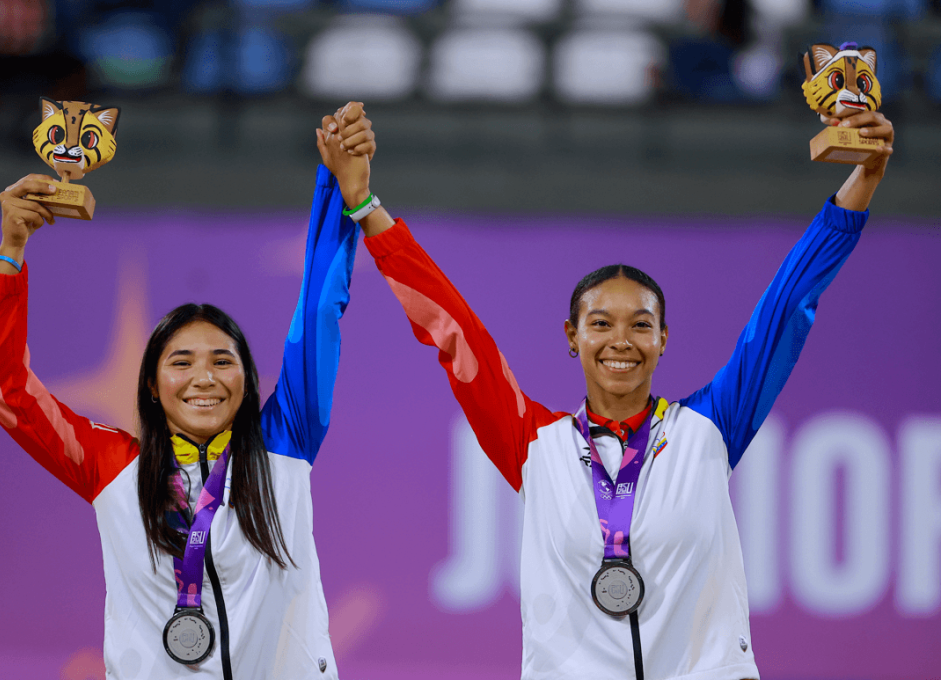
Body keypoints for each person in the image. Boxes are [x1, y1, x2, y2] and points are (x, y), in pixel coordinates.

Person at [322, 109, 895, 679]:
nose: (621, 340)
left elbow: (786, 306)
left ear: (663, 339)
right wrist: (366, 207)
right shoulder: (533, 444)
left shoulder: (709, 427)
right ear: (573, 337)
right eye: (600, 323)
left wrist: (863, 180)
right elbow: (452, 330)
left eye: (640, 325)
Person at [0, 102, 375, 680]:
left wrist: (339, 186)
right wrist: (10, 254)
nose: (204, 378)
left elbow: (318, 307)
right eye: (181, 362)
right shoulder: (112, 466)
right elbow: (1, 388)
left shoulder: (286, 443)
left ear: (247, 380)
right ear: (153, 387)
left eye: (222, 361)